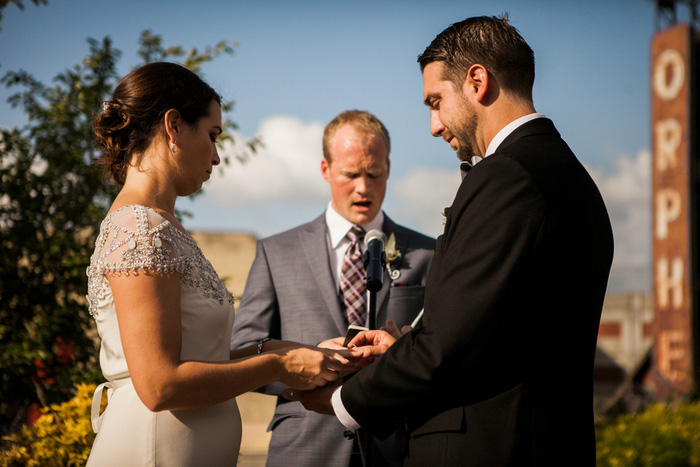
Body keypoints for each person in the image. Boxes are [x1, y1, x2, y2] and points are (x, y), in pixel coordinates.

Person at [287, 16, 615, 466]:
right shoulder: (568, 175)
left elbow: (446, 350)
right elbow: (495, 331)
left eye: (436, 101)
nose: (434, 125)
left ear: (477, 81)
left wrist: (343, 399)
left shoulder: (506, 176)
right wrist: (401, 346)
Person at [86, 62, 356, 467]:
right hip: (153, 452)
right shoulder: (138, 227)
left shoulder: (162, 225)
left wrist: (291, 351)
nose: (215, 157)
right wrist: (278, 365)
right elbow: (160, 385)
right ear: (173, 126)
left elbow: (198, 357)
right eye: (212, 136)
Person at [230, 110, 435, 466]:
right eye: (351, 174)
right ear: (325, 169)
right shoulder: (277, 251)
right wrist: (298, 372)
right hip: (305, 447)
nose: (363, 187)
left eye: (374, 173)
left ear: (388, 167)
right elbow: (243, 351)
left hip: (398, 449)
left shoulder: (429, 253)